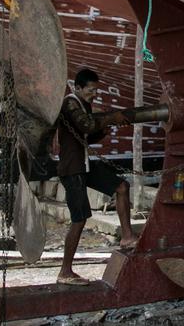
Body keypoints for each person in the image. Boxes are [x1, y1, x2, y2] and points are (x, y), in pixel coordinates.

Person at [54, 68, 135, 285]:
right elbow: (87, 125)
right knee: (79, 219)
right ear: (78, 87)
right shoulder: (70, 103)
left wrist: (109, 125)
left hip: (84, 165)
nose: (94, 94)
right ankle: (65, 271)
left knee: (122, 187)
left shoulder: (83, 105)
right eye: (91, 90)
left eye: (96, 90)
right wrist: (110, 118)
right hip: (72, 169)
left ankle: (127, 237)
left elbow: (87, 136)